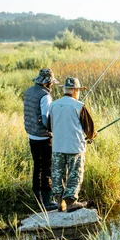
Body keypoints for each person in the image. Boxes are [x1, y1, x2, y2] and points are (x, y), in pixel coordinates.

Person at [49, 77, 97, 212]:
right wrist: (91, 136)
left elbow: (49, 126)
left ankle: (60, 203)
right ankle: (70, 203)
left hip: (57, 146)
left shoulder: (53, 105)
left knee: (57, 174)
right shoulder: (79, 106)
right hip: (75, 147)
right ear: (76, 91)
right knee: (75, 174)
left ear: (65, 89)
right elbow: (90, 129)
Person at [23, 68, 59, 211]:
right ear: (48, 83)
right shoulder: (45, 96)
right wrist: (53, 131)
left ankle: (38, 199)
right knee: (47, 169)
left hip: (32, 135)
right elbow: (45, 118)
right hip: (43, 138)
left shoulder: (29, 92)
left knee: (37, 167)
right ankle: (47, 202)